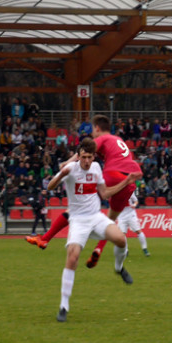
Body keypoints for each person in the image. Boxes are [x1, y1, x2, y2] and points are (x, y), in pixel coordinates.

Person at [26, 114, 142, 269]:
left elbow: (85, 149)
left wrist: (67, 163)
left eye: (93, 130)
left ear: (97, 128)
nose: (93, 133)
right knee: (111, 220)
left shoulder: (104, 138)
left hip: (113, 174)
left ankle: (45, 238)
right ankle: (98, 249)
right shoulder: (119, 141)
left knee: (76, 207)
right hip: (129, 181)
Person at [48, 138, 140, 322]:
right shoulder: (71, 169)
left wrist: (127, 181)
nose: (87, 161)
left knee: (121, 240)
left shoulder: (97, 168)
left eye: (90, 157)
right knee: (72, 257)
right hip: (78, 220)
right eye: (83, 157)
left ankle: (118, 268)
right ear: (78, 156)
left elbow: (104, 194)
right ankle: (64, 306)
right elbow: (49, 187)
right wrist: (60, 175)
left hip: (96, 217)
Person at [117, 191, 150, 257]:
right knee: (122, 234)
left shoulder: (129, 192)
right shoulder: (116, 193)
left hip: (131, 215)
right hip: (121, 217)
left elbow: (136, 201)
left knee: (138, 231)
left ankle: (145, 249)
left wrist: (134, 205)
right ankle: (125, 251)